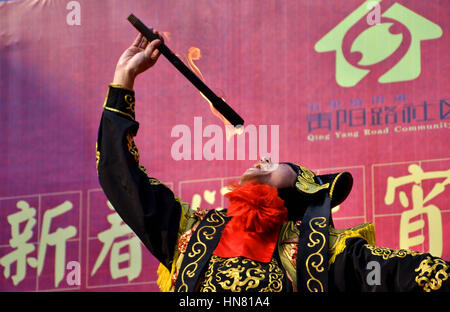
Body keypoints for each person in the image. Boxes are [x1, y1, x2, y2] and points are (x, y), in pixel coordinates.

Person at [96, 32, 450, 292]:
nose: (263, 159)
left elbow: (401, 273)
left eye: (277, 164)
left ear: (303, 188)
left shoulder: (322, 251)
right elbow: (121, 177)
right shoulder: (191, 233)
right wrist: (123, 79)